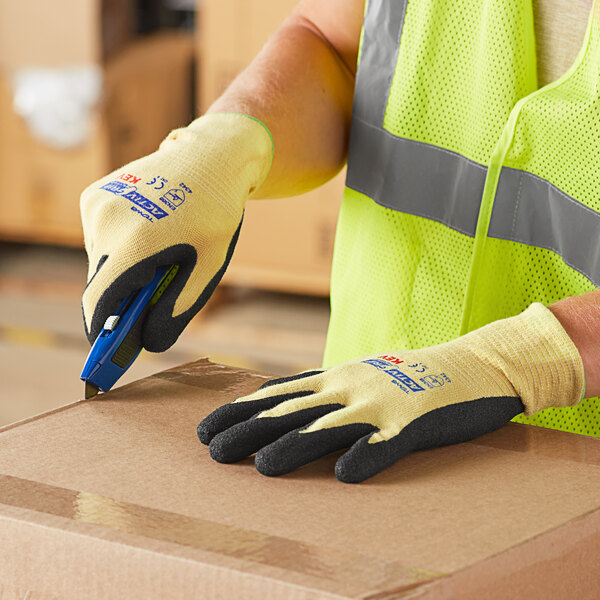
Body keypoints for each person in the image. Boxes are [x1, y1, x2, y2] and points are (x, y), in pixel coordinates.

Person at [81, 0, 600, 483]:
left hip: (575, 469)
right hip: (365, 413)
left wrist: (522, 360)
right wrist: (220, 149)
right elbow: (332, 42)